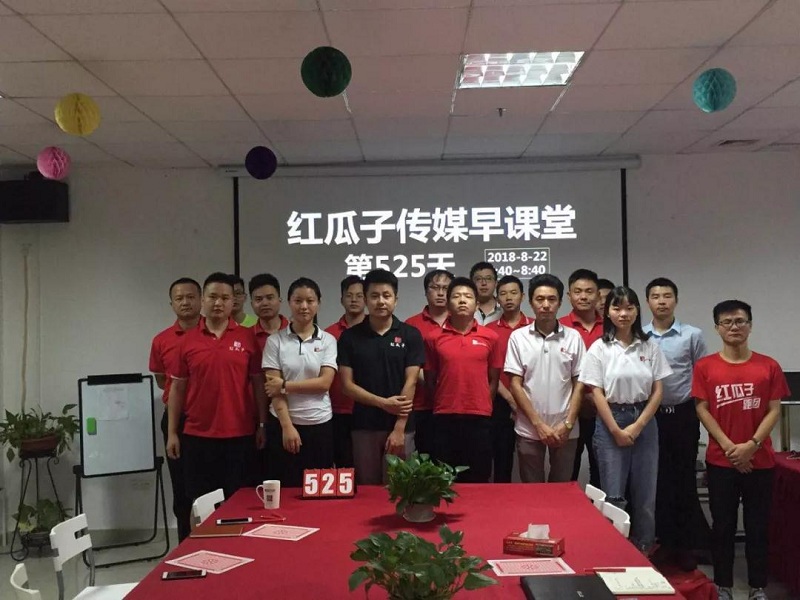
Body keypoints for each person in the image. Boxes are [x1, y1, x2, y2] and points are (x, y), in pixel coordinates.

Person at [692, 300, 788, 600]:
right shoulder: (705, 367)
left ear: (750, 325)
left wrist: (752, 445)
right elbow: (702, 409)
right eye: (727, 322)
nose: (734, 327)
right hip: (721, 461)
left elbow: (774, 409)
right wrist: (731, 448)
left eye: (740, 321)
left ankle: (758, 587)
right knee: (723, 526)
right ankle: (723, 585)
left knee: (758, 527)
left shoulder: (769, 366)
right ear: (717, 328)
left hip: (760, 460)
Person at [578, 286, 672, 553]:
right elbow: (596, 392)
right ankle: (615, 550)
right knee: (614, 496)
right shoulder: (600, 348)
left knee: (645, 494)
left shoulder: (649, 346)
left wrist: (639, 425)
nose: (623, 314)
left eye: (629, 308)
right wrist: (616, 430)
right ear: (607, 312)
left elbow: (658, 391)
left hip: (645, 419)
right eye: (617, 308)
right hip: (611, 419)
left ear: (637, 311)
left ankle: (645, 548)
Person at [166, 272, 268, 502]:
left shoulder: (247, 337)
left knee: (240, 502)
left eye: (225, 298)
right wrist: (172, 433)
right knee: (200, 503)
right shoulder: (187, 341)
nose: (218, 303)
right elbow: (177, 388)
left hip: (240, 434)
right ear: (203, 300)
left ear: (233, 302)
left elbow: (258, 384)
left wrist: (262, 424)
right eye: (212, 297)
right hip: (198, 436)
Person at [643, 277, 710, 571]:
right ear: (648, 302)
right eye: (655, 296)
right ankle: (665, 543)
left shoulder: (692, 335)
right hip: (651, 416)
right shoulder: (641, 335)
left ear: (676, 300)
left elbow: (701, 375)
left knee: (683, 480)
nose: (661, 301)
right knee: (658, 481)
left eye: (667, 296)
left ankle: (686, 546)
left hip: (683, 415)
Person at [338, 269, 424, 485]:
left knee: (401, 489)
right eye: (374, 296)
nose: (381, 301)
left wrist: (399, 428)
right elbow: (347, 385)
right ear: (366, 299)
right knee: (367, 489)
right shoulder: (349, 337)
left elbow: (411, 381)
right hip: (364, 426)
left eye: (386, 295)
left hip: (401, 427)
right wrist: (383, 403)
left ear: (396, 299)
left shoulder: (410, 334)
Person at [505, 274, 585, 483]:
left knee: (562, 488)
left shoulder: (573, 337)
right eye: (540, 299)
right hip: (529, 427)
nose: (546, 305)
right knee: (532, 489)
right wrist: (538, 424)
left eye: (552, 299)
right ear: (531, 302)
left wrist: (568, 423)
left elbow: (579, 384)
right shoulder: (518, 337)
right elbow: (515, 384)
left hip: (565, 428)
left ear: (560, 302)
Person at [425, 277, 502, 483]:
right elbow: (430, 378)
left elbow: (493, 379)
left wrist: (484, 403)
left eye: (467, 296)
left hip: (479, 417)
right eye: (456, 296)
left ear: (476, 304)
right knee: (445, 479)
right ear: (448, 303)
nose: (462, 300)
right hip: (444, 416)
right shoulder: (433, 337)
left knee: (479, 477)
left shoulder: (490, 337)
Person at [263, 278, 338, 487]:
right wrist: (287, 426)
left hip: (320, 423)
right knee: (287, 487)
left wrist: (285, 385)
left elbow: (324, 383)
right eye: (298, 301)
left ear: (318, 303)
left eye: (310, 301)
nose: (304, 306)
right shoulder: (275, 341)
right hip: (284, 423)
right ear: (289, 302)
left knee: (318, 489)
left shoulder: (328, 340)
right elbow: (272, 389)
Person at [149, 277, 201, 541]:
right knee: (182, 490)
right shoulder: (162, 340)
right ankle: (184, 546)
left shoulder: (216, 332)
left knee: (209, 488)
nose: (185, 302)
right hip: (176, 420)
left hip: (209, 420)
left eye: (191, 297)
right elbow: (162, 380)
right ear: (171, 304)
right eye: (179, 298)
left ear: (201, 300)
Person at [560, 269, 604, 487]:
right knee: (567, 472)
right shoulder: (559, 327)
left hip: (603, 411)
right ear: (569, 296)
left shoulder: (611, 327)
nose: (583, 296)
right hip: (569, 412)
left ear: (598, 295)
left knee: (602, 472)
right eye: (578, 292)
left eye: (589, 291)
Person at [486, 275, 532, 482]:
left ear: (523, 296)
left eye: (514, 293)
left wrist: (521, 400)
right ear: (497, 299)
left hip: (531, 401)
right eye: (503, 294)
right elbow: (488, 370)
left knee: (530, 460)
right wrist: (510, 398)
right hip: (500, 401)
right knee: (501, 460)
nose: (509, 298)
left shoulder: (534, 327)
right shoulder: (489, 331)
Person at [405, 269, 453, 456]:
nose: (440, 293)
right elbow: (407, 363)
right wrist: (432, 382)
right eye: (435, 288)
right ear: (426, 292)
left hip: (453, 405)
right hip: (421, 404)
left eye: (445, 288)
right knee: (424, 460)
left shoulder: (462, 322)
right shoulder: (411, 325)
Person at [324, 275, 366, 468]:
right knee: (343, 465)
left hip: (367, 409)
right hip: (337, 409)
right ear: (341, 299)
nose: (354, 300)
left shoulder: (375, 331)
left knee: (367, 467)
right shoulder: (329, 334)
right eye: (349, 295)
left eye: (359, 295)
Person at [249, 273, 289, 354]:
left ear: (279, 300)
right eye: (259, 299)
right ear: (252, 304)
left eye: (270, 298)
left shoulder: (294, 331)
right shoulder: (247, 336)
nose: (265, 303)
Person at [470, 261, 502, 325]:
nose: (484, 283)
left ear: (496, 283)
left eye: (488, 279)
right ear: (471, 283)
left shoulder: (504, 309)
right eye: (478, 279)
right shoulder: (465, 308)